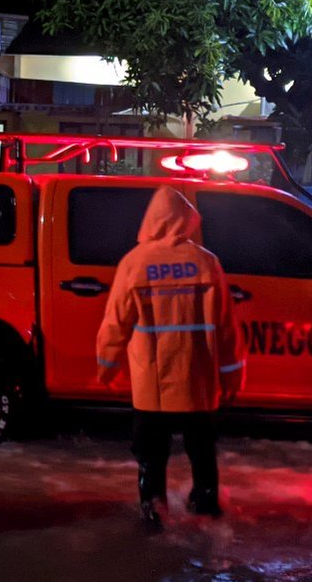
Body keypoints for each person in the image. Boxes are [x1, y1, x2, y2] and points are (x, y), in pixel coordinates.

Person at [96, 187, 245, 531]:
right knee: (202, 452)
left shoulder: (135, 263)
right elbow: (225, 328)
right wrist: (232, 377)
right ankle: (206, 510)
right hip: (198, 381)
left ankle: (152, 512)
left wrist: (106, 366)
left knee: (151, 454)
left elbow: (116, 322)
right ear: (186, 220)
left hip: (152, 384)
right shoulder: (207, 263)